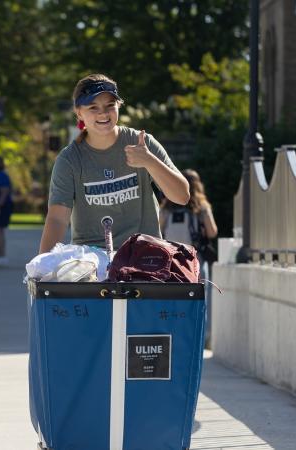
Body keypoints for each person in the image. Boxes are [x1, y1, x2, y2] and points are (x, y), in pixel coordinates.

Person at [39, 74, 190, 254]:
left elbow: (182, 196)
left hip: (143, 256)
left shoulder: (141, 143)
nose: (103, 113)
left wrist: (150, 162)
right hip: (92, 260)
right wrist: (42, 267)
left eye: (110, 105)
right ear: (79, 112)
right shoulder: (69, 159)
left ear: (118, 106)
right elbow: (57, 218)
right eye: (93, 107)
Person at [159, 168, 218, 347]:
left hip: (170, 262)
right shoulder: (202, 207)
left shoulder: (166, 206)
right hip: (195, 260)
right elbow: (212, 232)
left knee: (172, 299)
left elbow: (157, 230)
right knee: (200, 298)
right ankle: (198, 337)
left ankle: (173, 334)